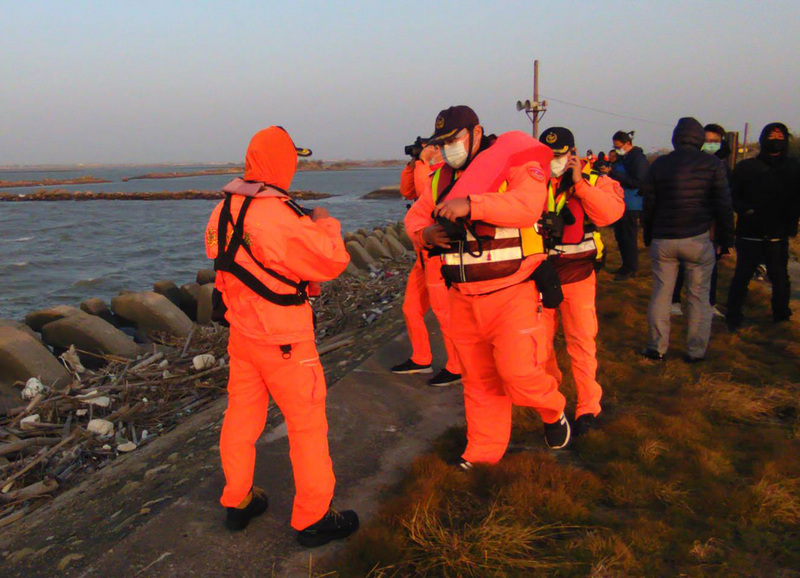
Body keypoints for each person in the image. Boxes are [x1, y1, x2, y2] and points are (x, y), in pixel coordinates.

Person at [205, 126, 359, 546]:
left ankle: (237, 500)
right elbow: (331, 262)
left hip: (243, 335)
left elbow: (225, 265)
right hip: (285, 339)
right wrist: (327, 223)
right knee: (306, 426)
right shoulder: (278, 213)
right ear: (283, 162)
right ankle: (313, 517)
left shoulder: (224, 208)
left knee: (240, 419)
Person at [405, 105, 571, 468]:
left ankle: (552, 409)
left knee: (519, 374)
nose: (449, 148)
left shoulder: (515, 164)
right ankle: (482, 454)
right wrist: (425, 234)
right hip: (462, 296)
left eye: (454, 139)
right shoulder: (439, 178)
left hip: (513, 290)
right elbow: (415, 217)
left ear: (476, 133)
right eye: (442, 142)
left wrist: (473, 204)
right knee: (478, 383)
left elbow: (528, 206)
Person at [538, 127, 625, 436]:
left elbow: (610, 214)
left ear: (572, 153)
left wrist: (579, 186)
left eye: (560, 155)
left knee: (581, 343)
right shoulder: (535, 181)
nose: (555, 161)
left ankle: (588, 406)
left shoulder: (595, 181)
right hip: (540, 276)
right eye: (549, 156)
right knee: (541, 346)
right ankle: (553, 405)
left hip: (578, 275)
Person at [641, 118, 734, 362]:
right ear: (700, 139)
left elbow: (648, 204)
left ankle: (656, 348)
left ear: (675, 138)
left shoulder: (660, 164)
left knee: (661, 294)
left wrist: (648, 233)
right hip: (698, 238)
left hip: (664, 238)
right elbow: (724, 205)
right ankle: (695, 351)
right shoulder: (712, 164)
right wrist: (727, 239)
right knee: (698, 297)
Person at [392, 145, 462, 386]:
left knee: (444, 313)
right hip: (422, 254)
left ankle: (457, 366)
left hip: (436, 255)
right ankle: (421, 358)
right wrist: (412, 166)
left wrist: (423, 163)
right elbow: (407, 190)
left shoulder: (443, 172)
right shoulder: (425, 168)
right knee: (411, 308)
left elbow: (426, 195)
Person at [726, 122, 800, 331]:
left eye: (780, 135)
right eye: (771, 135)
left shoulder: (794, 168)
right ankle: (733, 315)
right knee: (742, 275)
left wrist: (791, 220)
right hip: (749, 232)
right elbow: (732, 195)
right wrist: (745, 210)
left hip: (778, 233)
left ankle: (781, 316)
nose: (776, 139)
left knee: (779, 277)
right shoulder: (747, 167)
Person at [671, 123, 731, 317]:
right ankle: (675, 301)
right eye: (707, 141)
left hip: (711, 224)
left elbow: (724, 201)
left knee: (710, 268)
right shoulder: (689, 163)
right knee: (680, 265)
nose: (711, 145)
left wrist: (725, 234)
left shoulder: (721, 165)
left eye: (715, 142)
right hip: (686, 221)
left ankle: (709, 304)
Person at [608, 130, 649, 280]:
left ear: (627, 144)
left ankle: (631, 268)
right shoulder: (624, 158)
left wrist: (614, 174)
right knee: (621, 236)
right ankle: (625, 266)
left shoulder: (637, 159)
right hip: (622, 203)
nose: (617, 149)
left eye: (618, 146)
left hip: (632, 204)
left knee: (628, 237)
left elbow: (637, 181)